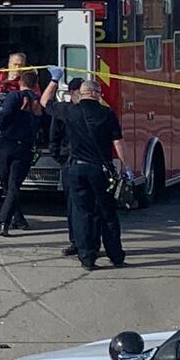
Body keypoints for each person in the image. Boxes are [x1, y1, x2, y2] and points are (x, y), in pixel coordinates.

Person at [58, 76, 127, 271]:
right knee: (108, 213)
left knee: (83, 213)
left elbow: (45, 103)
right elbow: (117, 142)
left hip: (76, 169)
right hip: (99, 169)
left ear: (82, 93)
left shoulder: (70, 112)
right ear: (96, 94)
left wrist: (54, 80)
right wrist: (124, 166)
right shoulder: (106, 113)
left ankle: (87, 258)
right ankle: (116, 256)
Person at [0, 70, 53, 236]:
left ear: (20, 82)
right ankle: (18, 219)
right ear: (35, 85)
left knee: (7, 184)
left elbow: (5, 114)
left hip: (7, 144)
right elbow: (45, 122)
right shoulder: (38, 102)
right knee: (13, 185)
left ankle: (4, 221)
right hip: (25, 146)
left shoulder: (13, 97)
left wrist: (3, 128)